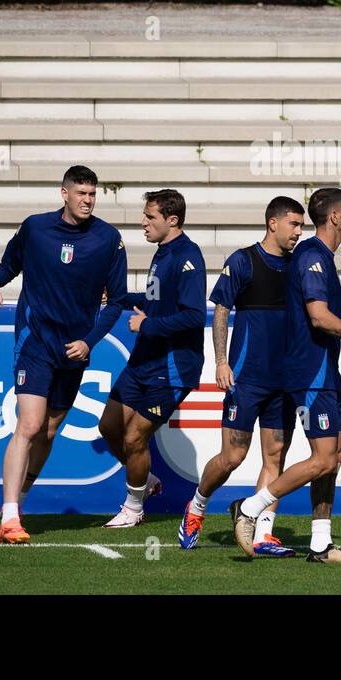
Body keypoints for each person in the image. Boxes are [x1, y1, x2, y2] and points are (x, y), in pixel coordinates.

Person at [229, 188, 341, 564]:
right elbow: (318, 316)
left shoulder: (321, 257)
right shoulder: (311, 257)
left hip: (324, 369)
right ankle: (250, 508)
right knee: (323, 459)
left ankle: (321, 544)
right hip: (310, 372)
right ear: (335, 217)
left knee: (335, 456)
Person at [0, 165, 127, 544]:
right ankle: (9, 517)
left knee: (48, 430)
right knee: (29, 425)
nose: (88, 200)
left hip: (75, 350)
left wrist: (89, 341)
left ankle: (21, 499)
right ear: (64, 193)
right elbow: (10, 263)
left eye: (93, 194)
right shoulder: (35, 228)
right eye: (81, 193)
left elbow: (117, 302)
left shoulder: (109, 239)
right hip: (36, 341)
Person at [178, 196, 307, 556]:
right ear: (273, 223)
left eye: (302, 225)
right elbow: (220, 312)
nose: (299, 231)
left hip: (285, 381)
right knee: (232, 457)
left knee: (275, 456)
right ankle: (197, 507)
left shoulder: (299, 266)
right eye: (294, 224)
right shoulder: (243, 260)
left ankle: (263, 532)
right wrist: (221, 361)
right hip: (246, 379)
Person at [97, 189, 206, 527]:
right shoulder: (162, 254)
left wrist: (148, 324)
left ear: (172, 220)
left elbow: (193, 315)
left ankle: (133, 508)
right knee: (109, 426)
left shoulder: (189, 258)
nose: (143, 223)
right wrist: (119, 296)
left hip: (172, 367)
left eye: (150, 217)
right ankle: (149, 482)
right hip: (144, 361)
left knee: (134, 437)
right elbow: (155, 298)